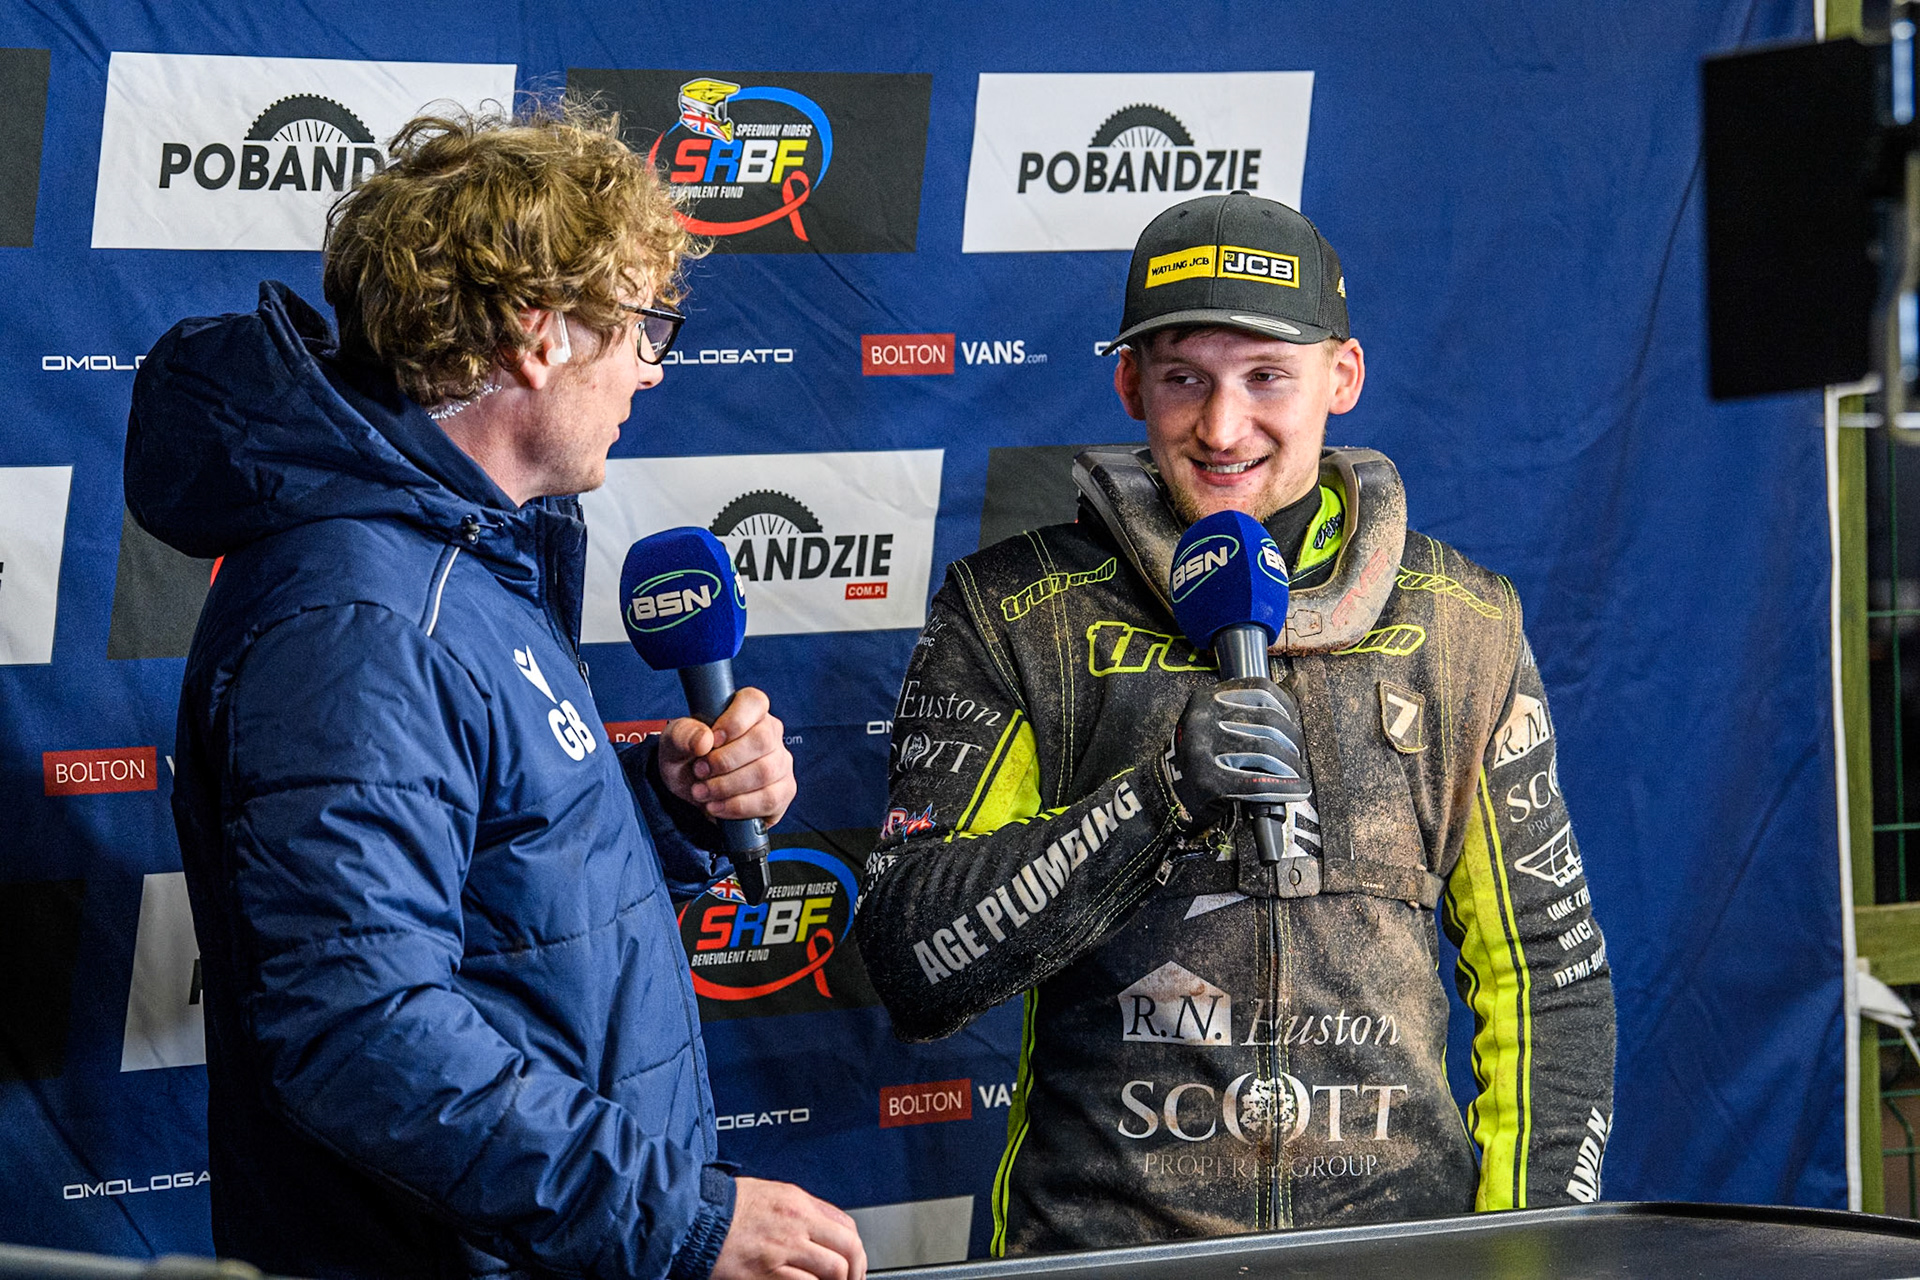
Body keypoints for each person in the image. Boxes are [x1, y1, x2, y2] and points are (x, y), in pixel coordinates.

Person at [124, 104, 865, 1280]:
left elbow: (490, 898)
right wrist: (677, 1216)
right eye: (642, 323)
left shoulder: (456, 558)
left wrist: (663, 806)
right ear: (537, 332)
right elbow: (363, 1034)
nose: (654, 366)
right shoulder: (362, 614)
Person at [854, 192, 1615, 1252]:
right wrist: (1154, 797)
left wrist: (1524, 1253)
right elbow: (911, 957)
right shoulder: (1014, 611)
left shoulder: (1465, 623)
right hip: (1096, 1252)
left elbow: (1549, 974)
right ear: (1130, 382)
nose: (1221, 426)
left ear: (1340, 377)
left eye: (1267, 377)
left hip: (1395, 1252)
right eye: (1183, 378)